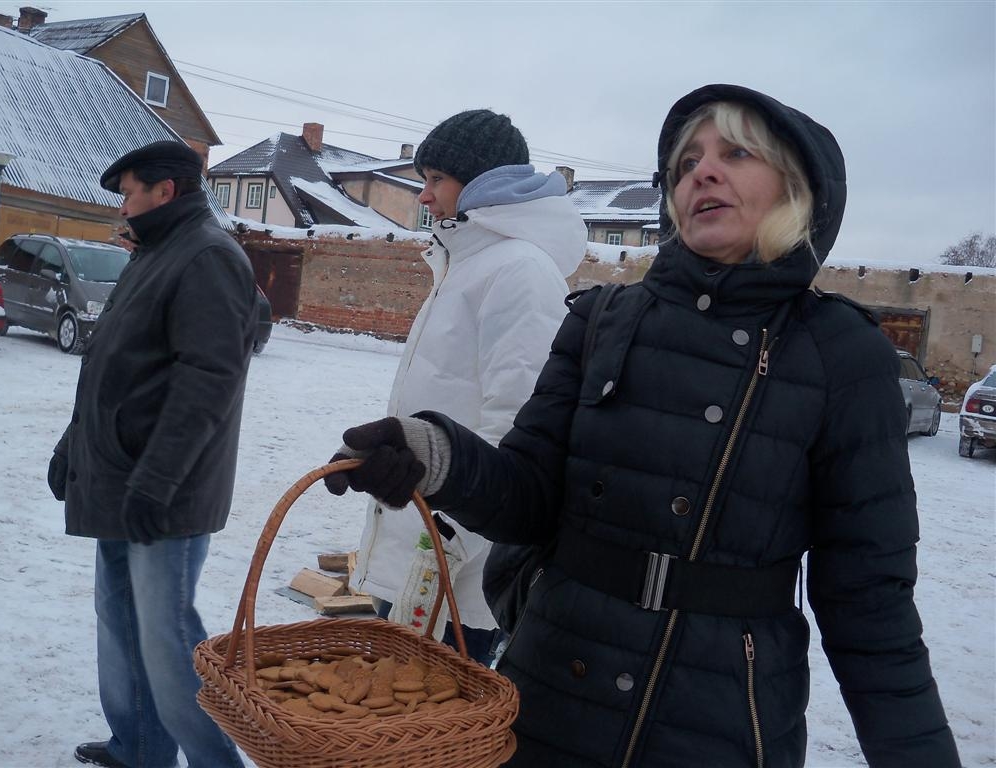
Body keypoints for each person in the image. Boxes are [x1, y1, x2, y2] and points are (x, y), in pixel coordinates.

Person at [324, 85, 961, 767]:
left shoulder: (842, 354)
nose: (702, 172)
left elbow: (871, 607)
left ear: (798, 186)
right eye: (686, 162)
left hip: (720, 719)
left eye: (735, 153)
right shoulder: (602, 320)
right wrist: (432, 452)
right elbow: (530, 494)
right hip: (551, 695)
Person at [329, 108, 586, 666]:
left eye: (435, 180)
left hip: (453, 575)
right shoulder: (465, 263)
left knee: (428, 741)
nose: (424, 197)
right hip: (420, 549)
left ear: (483, 181)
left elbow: (519, 427)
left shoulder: (517, 272)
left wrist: (442, 542)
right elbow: (444, 398)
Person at [47, 140, 256, 768]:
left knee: (166, 641)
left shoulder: (209, 258)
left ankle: (217, 763)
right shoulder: (157, 252)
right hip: (119, 476)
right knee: (120, 625)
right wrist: (73, 446)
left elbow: (208, 379)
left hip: (166, 492)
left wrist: (157, 480)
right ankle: (138, 746)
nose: (123, 204)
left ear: (166, 191)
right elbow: (116, 365)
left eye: (130, 191)